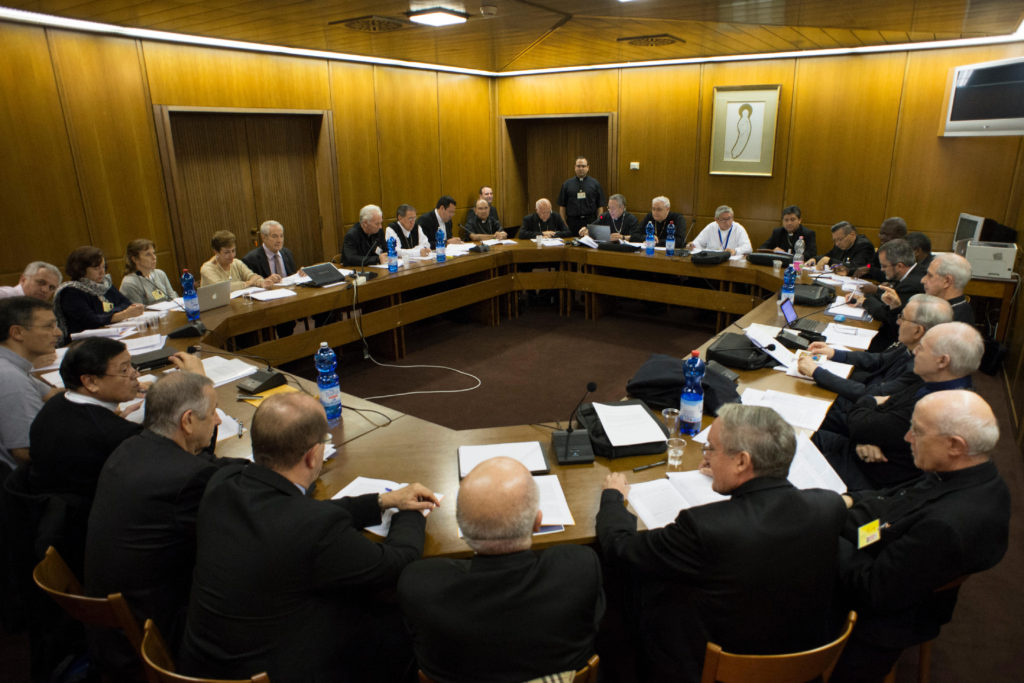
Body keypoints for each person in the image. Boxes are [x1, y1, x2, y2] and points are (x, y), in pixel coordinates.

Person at [179, 393, 440, 682]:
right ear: (313, 455)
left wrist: (383, 500)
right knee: (399, 621)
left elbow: (305, 513)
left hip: (201, 664)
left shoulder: (223, 483)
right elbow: (395, 564)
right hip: (274, 670)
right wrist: (412, 512)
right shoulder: (313, 527)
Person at [597, 404, 846, 681]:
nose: (706, 457)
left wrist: (612, 498)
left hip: (713, 668)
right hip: (802, 662)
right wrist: (722, 471)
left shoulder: (704, 527)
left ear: (741, 461)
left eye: (710, 450)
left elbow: (620, 549)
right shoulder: (830, 506)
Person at [830, 391, 1010, 682]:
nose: (906, 438)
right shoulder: (968, 470)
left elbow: (873, 590)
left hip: (885, 619)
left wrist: (824, 528)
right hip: (895, 564)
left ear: (955, 445)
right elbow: (896, 507)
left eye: (917, 431)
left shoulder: (946, 525)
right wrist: (848, 504)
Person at [399, 457, 604, 682]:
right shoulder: (579, 569)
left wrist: (407, 514)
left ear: (462, 528)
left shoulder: (420, 585)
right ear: (538, 523)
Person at [84, 365, 219, 675]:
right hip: (155, 633)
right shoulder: (186, 478)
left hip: (113, 628)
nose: (216, 419)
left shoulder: (130, 447)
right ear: (187, 420)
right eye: (212, 412)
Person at [812, 321, 983, 491]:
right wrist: (868, 434)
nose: (915, 352)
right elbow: (874, 418)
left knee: (800, 440)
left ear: (942, 361)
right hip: (865, 447)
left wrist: (869, 414)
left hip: (871, 474)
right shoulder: (935, 382)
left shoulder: (936, 406)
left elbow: (862, 421)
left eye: (922, 348)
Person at [797, 294, 952, 404]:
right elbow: (879, 360)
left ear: (918, 331)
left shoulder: (920, 368)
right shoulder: (913, 344)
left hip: (862, 411)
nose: (897, 322)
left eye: (902, 318)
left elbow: (869, 394)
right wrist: (834, 353)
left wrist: (817, 372)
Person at [0, 297, 62, 476]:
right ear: (17, 332)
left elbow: (53, 394)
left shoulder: (11, 365)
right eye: (48, 326)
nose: (58, 333)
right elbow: (27, 452)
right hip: (19, 489)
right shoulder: (10, 378)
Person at [846, 239, 925, 351]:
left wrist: (864, 300)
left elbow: (886, 313)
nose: (882, 270)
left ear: (899, 266)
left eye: (884, 266)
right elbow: (886, 298)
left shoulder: (911, 284)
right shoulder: (914, 272)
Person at [55, 246, 144, 337]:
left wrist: (107, 315)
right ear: (81, 270)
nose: (102, 272)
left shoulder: (104, 285)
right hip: (86, 341)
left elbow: (126, 303)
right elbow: (91, 321)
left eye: (103, 267)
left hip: (112, 332)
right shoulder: (71, 292)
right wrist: (122, 314)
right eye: (96, 268)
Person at [241, 221, 297, 337]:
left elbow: (292, 277)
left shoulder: (287, 253)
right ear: (263, 237)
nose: (279, 240)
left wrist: (301, 274)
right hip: (268, 304)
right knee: (283, 319)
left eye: (281, 236)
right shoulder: (251, 259)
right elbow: (250, 285)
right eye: (274, 236)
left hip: (290, 298)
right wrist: (266, 281)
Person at [914, 252, 974, 325]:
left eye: (930, 275)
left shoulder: (950, 321)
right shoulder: (953, 309)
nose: (922, 280)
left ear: (947, 281)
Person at [200, 230, 269, 290]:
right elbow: (222, 288)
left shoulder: (236, 262)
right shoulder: (207, 269)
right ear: (216, 252)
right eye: (227, 252)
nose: (232, 255)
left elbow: (252, 276)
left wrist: (262, 282)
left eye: (233, 250)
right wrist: (248, 283)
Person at [119, 238, 177, 305]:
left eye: (154, 253)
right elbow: (139, 310)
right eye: (148, 254)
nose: (154, 257)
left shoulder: (160, 274)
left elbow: (173, 298)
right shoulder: (129, 283)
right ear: (135, 259)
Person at [803, 221, 875, 274]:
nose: (837, 244)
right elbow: (829, 255)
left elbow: (856, 267)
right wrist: (815, 259)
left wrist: (829, 261)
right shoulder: (840, 244)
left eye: (840, 239)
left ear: (852, 234)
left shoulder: (864, 246)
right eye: (834, 240)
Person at [557, 157, 606, 231]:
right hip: (572, 223)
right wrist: (564, 224)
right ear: (575, 167)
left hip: (591, 222)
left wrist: (598, 223)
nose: (581, 168)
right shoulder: (567, 184)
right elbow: (562, 206)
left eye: (583, 166)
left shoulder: (595, 184)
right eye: (578, 166)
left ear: (588, 167)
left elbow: (600, 206)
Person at [854, 217, 907, 281]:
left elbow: (892, 276)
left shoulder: (906, 252)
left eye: (886, 234)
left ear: (900, 234)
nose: (881, 237)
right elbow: (871, 264)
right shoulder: (884, 247)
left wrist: (870, 270)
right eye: (880, 233)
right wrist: (867, 267)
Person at [688, 205, 752, 256]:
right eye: (723, 219)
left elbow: (748, 248)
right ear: (716, 220)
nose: (727, 222)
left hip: (731, 262)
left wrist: (735, 251)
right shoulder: (711, 227)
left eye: (729, 218)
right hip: (712, 260)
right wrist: (692, 245)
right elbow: (698, 242)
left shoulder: (738, 228)